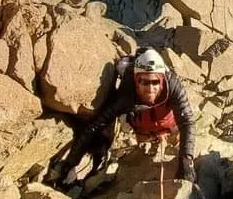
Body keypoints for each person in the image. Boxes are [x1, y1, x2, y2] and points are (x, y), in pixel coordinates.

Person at [60, 48, 197, 186]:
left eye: (155, 82)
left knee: (175, 129)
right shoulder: (127, 92)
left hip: (168, 123)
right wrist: (71, 162)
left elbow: (187, 121)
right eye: (145, 82)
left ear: (161, 80)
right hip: (142, 125)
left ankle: (165, 136)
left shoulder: (173, 86)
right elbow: (98, 124)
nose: (150, 88)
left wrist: (186, 161)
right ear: (137, 80)